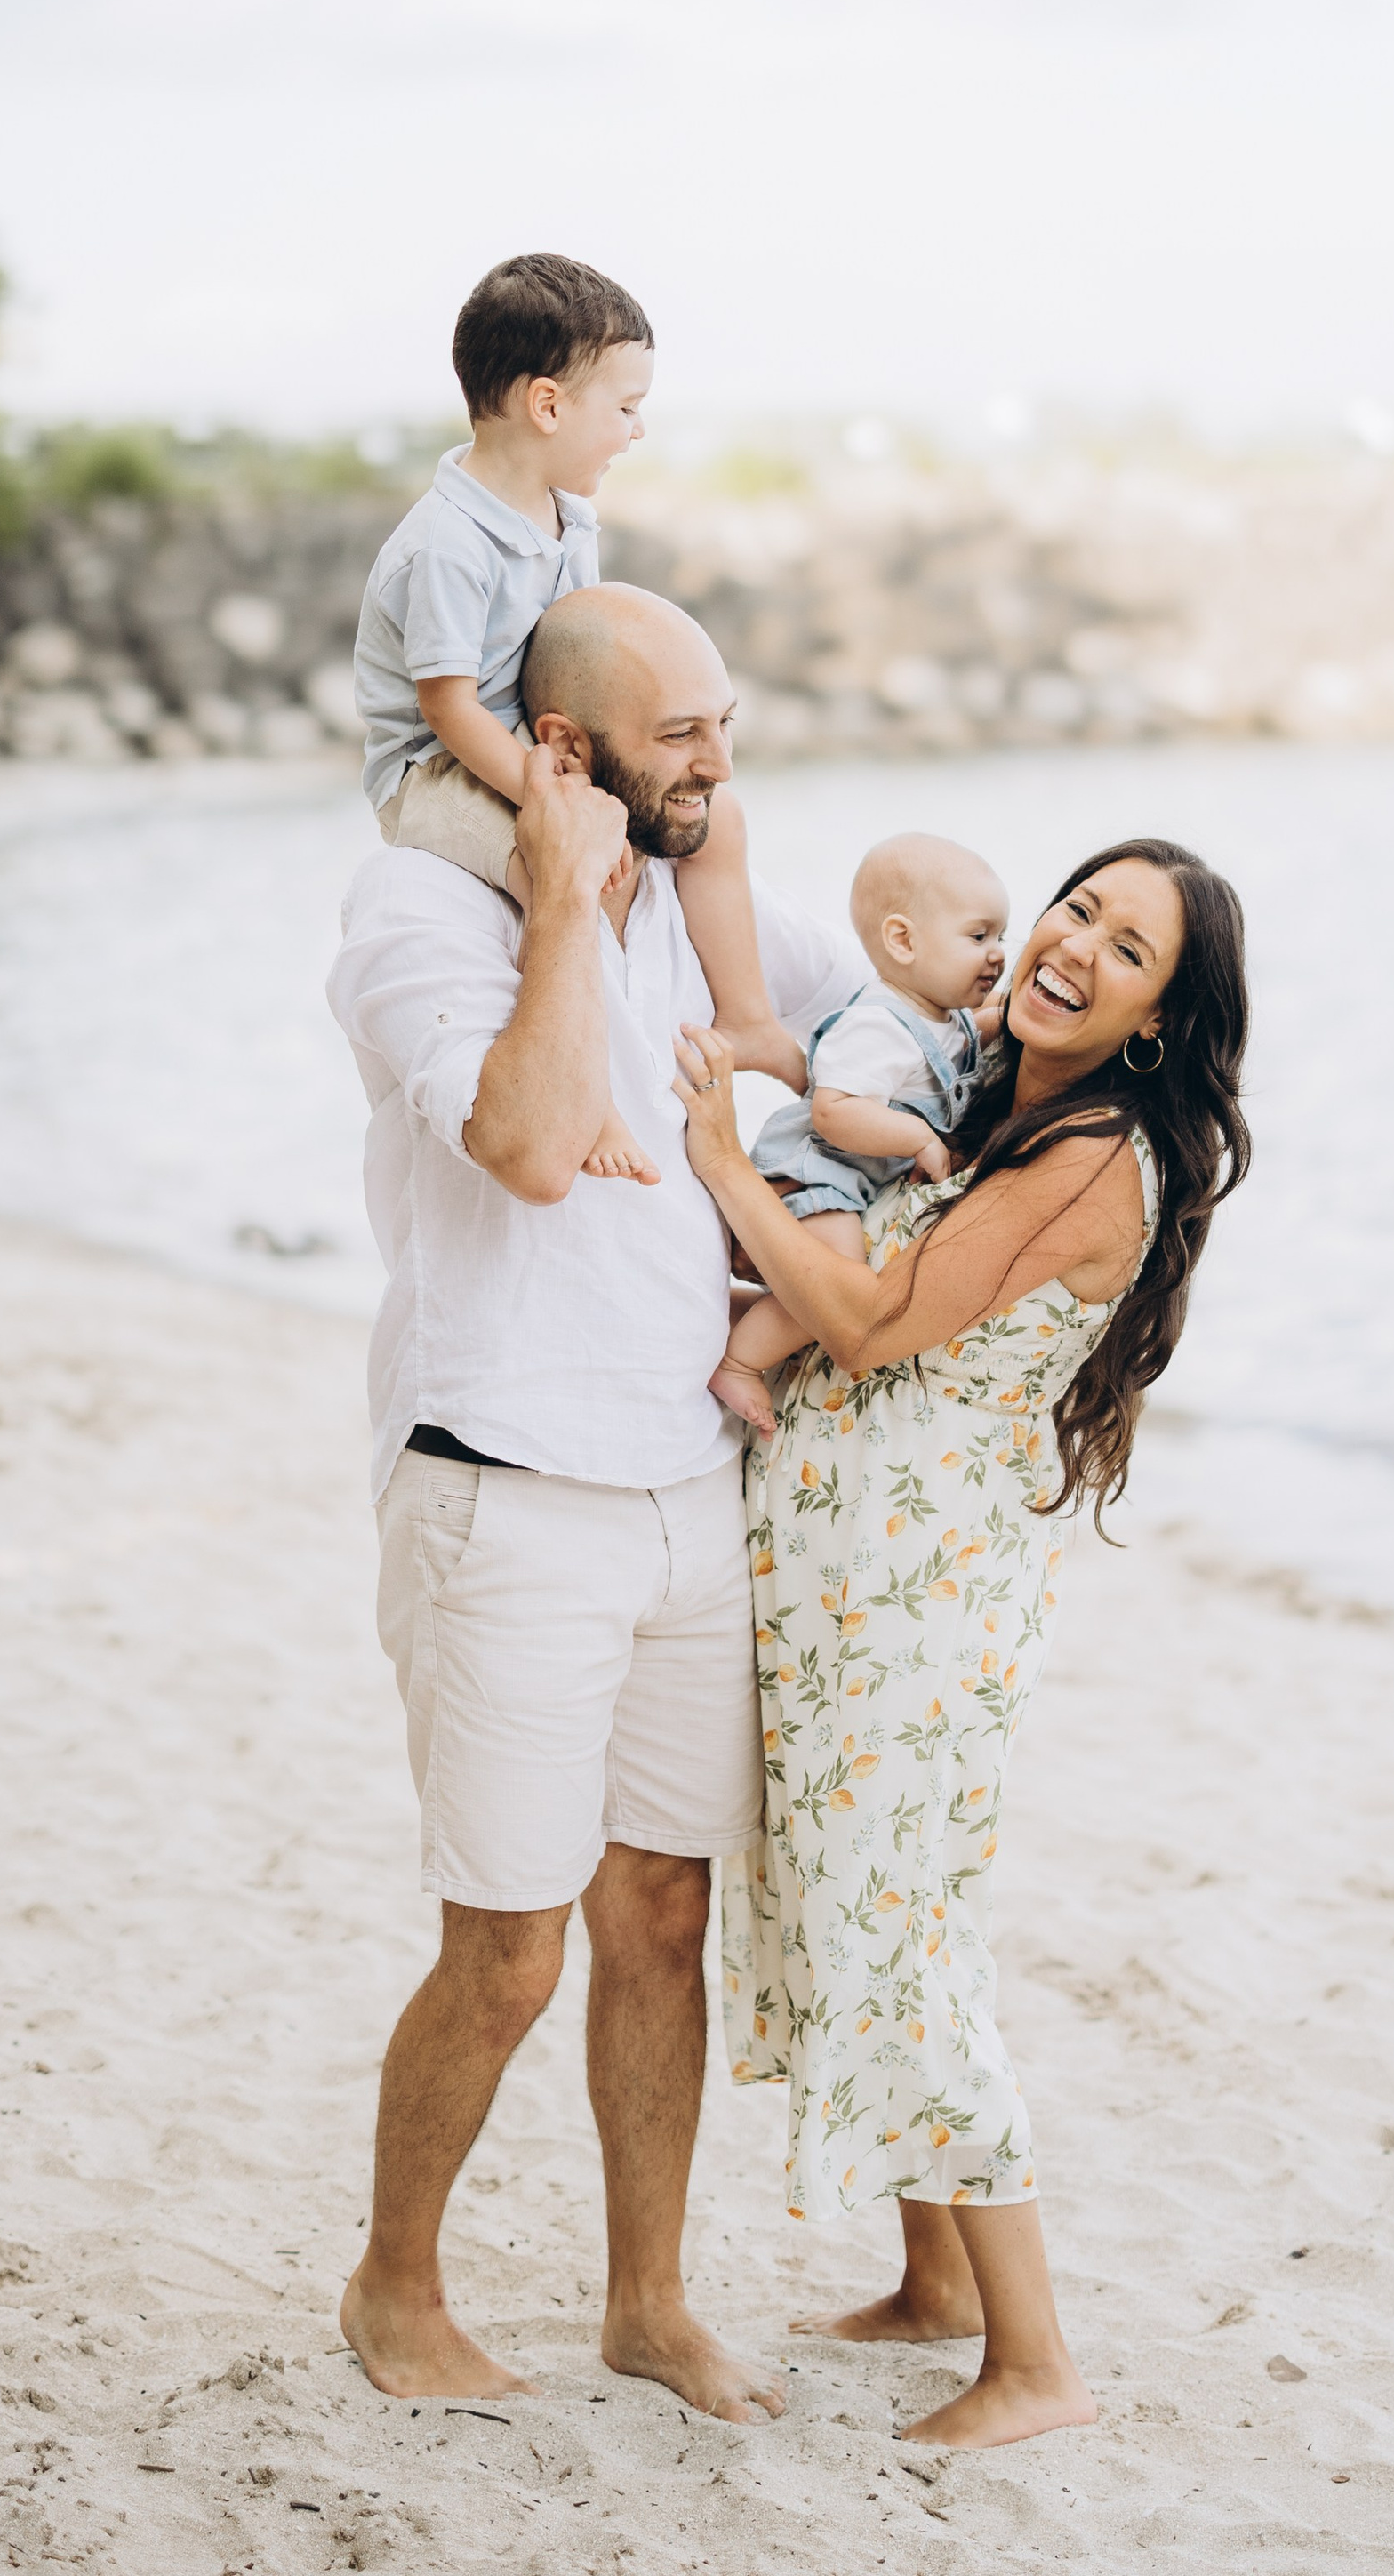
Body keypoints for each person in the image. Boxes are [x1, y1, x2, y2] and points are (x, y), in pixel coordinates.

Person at [324, 582, 860, 2420]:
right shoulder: (418, 909)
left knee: (659, 1917)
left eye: (723, 718)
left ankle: (647, 2302)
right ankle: (395, 2288)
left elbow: (884, 997)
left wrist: (816, 1131)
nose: (718, 760)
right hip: (506, 1484)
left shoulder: (704, 891)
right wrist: (562, 892)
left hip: (685, 1481)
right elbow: (535, 1145)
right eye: (679, 733)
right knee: (506, 1947)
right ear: (562, 752)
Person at [669, 838, 1251, 2450]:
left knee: (904, 1932)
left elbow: (869, 1321)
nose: (1073, 947)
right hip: (863, 1581)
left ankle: (1035, 2362)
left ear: (1153, 1017)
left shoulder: (1093, 1153)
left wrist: (726, 1167)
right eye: (1076, 906)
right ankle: (932, 2284)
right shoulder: (999, 1084)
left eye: (1126, 949)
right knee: (863, 1904)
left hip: (913, 1608)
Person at [352, 252, 805, 1184]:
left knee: (718, 819)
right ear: (550, 407)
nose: (638, 431)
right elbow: (447, 707)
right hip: (438, 767)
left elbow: (582, 648)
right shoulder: (448, 544)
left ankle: (750, 1012)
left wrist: (623, 748)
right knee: (565, 868)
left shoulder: (569, 518)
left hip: (541, 740)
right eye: (627, 407)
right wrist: (552, 800)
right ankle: (589, 1091)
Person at [710, 832, 1009, 1428]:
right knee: (838, 1290)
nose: (997, 953)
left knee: (828, 1289)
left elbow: (957, 1046)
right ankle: (739, 1363)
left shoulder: (941, 1014)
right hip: (820, 1171)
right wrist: (918, 1138)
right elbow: (834, 1110)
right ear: (902, 940)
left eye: (1001, 935)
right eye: (979, 936)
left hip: (852, 1175)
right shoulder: (875, 1024)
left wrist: (1007, 1018)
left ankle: (734, 1317)